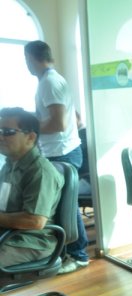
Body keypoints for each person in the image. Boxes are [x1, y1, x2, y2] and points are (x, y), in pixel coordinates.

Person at [24, 40, 89, 273]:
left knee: (66, 207)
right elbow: (76, 119)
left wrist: (29, 128)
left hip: (61, 154)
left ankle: (78, 254)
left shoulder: (49, 83)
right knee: (65, 206)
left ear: (31, 58)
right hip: (64, 151)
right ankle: (69, 252)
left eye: (26, 60)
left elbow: (58, 123)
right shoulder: (55, 80)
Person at [0, 107, 64, 271]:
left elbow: (35, 221)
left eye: (8, 132)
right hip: (8, 233)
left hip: (31, 241)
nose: (1, 136)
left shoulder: (40, 171)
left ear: (30, 137)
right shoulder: (9, 165)